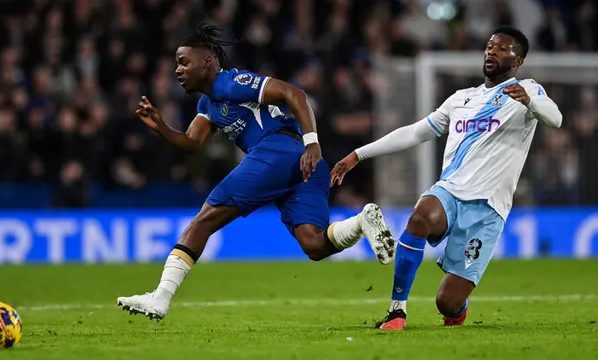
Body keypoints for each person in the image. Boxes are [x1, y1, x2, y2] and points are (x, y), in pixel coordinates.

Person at [116, 23, 395, 320]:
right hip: (300, 163)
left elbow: (294, 94)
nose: (177, 69)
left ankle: (160, 298)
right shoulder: (208, 102)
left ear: (208, 62)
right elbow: (192, 143)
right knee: (314, 244)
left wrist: (312, 141)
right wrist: (161, 126)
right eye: (176, 63)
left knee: (203, 220)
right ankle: (361, 223)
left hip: (278, 151)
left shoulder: (230, 82)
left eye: (184, 62)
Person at [331, 26, 562, 331]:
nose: (492, 51)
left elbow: (555, 118)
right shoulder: (460, 99)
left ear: (517, 60)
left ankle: (458, 307)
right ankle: (397, 311)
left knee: (447, 303)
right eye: (490, 46)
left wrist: (530, 102)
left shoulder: (528, 89)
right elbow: (415, 132)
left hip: (488, 209)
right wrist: (358, 154)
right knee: (420, 216)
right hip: (450, 193)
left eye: (502, 48)